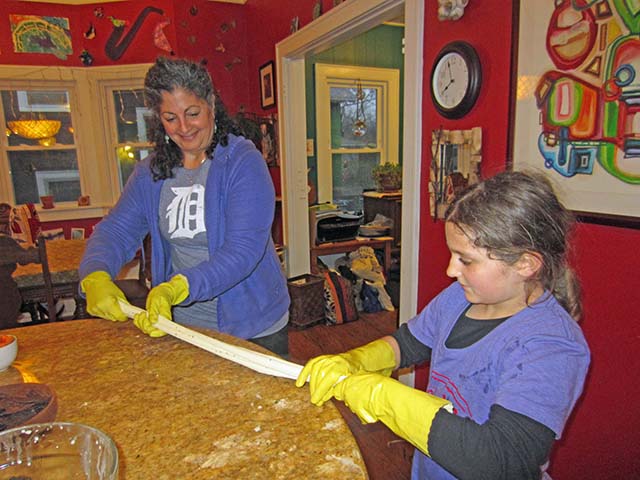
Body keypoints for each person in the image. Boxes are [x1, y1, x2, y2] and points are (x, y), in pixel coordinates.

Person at [296, 171, 590, 479]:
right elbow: (409, 343)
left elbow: (501, 459)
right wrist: (354, 360)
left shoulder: (552, 346)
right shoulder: (459, 297)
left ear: (525, 264)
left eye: (466, 260)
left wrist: (383, 396)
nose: (450, 270)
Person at [79, 57, 290, 356]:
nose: (184, 127)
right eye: (170, 117)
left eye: (192, 113)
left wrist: (178, 287)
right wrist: (95, 275)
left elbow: (243, 250)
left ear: (211, 105)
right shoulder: (150, 172)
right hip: (184, 326)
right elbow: (116, 230)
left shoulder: (243, 162)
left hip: (252, 325)